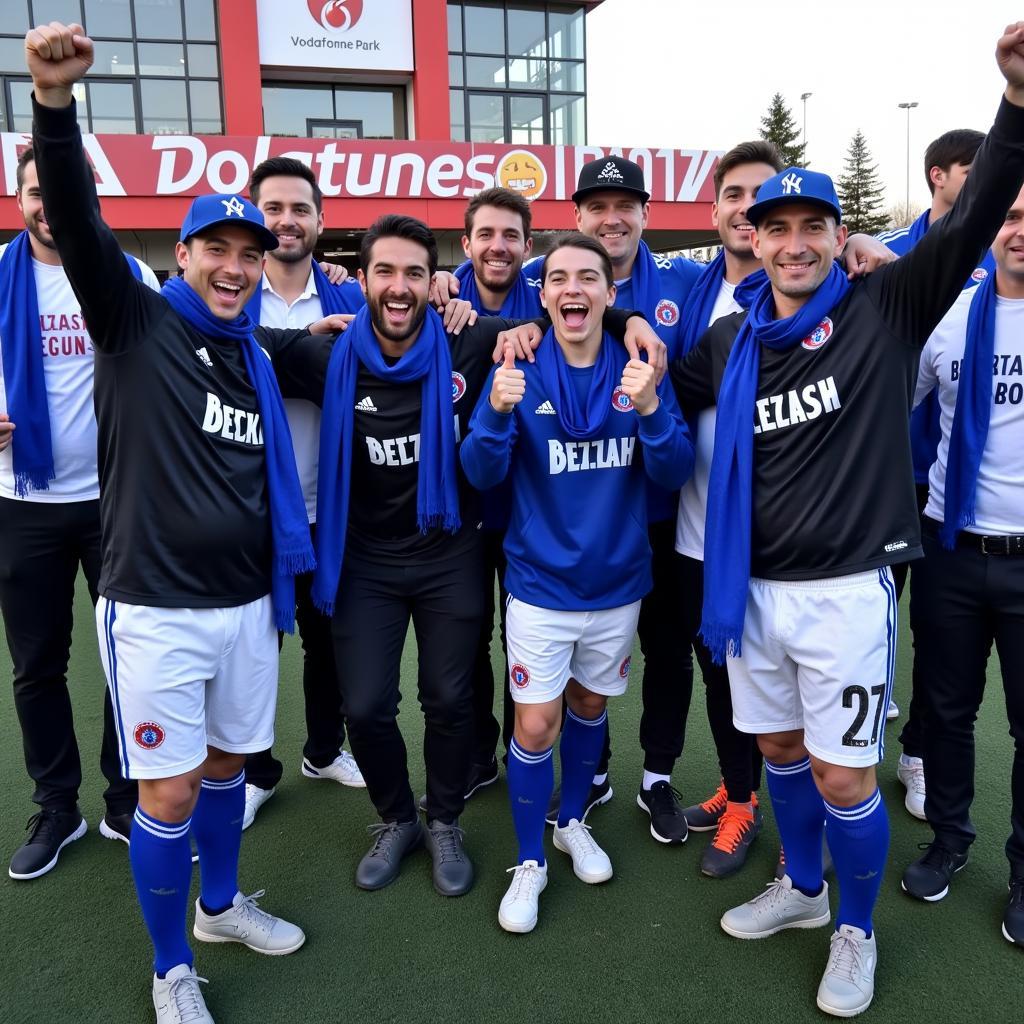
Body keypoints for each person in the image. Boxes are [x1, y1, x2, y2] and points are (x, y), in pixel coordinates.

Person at [670, 23, 1024, 1015]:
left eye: (808, 227)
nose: (789, 241)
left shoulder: (885, 305)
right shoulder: (733, 336)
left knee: (840, 777)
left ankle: (856, 930)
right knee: (779, 754)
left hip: (841, 599)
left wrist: (1015, 106)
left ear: (836, 237)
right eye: (771, 226)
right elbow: (650, 382)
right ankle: (804, 887)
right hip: (748, 597)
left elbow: (975, 211)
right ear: (753, 238)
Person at [25, 21, 348, 1023]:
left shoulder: (261, 354)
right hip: (155, 608)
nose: (235, 265)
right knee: (162, 796)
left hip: (248, 607)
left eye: (250, 252)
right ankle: (173, 966)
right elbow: (76, 223)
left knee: (221, 772)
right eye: (217, 247)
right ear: (184, 252)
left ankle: (216, 905)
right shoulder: (135, 322)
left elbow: (367, 354)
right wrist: (52, 104)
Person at [310, 214, 660, 900]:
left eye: (416, 272)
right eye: (385, 272)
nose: (400, 286)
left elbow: (576, 317)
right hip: (367, 561)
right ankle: (395, 818)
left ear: (434, 280)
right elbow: (245, 343)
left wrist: (631, 320)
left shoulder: (472, 337)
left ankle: (445, 820)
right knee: (370, 705)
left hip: (452, 550)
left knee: (451, 697)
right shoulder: (329, 352)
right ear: (363, 283)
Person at [459, 232, 693, 932]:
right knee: (536, 725)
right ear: (544, 295)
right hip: (539, 588)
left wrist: (650, 408)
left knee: (591, 708)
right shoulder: (517, 368)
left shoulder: (643, 367)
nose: (572, 289)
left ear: (609, 293)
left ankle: (571, 821)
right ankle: (528, 860)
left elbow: (675, 472)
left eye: (587, 277)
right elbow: (478, 474)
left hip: (619, 586)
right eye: (558, 277)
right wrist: (497, 413)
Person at [1, 146, 157, 880]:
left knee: (128, 660)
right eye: (35, 194)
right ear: (19, 197)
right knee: (37, 665)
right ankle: (56, 805)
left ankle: (125, 797)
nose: (48, 207)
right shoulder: (0, 277)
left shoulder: (128, 275)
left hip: (113, 500)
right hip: (20, 500)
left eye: (58, 193)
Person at [898, 181, 1024, 950]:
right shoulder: (949, 318)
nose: (1020, 231)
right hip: (951, 550)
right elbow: (886, 405)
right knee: (944, 713)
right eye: (1011, 216)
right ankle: (948, 841)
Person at [241, 156, 367, 829]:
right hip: (249, 509)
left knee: (330, 644)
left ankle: (324, 749)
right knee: (255, 650)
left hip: (331, 507)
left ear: (319, 222)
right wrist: (298, 347)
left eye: (300, 209)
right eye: (274, 208)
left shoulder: (348, 297)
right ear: (255, 215)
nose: (286, 220)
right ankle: (256, 770)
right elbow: (224, 350)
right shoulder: (229, 293)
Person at [670, 141, 783, 877]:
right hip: (694, 529)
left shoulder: (815, 293)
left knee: (774, 690)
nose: (746, 207)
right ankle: (736, 790)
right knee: (717, 673)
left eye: (761, 196)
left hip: (778, 543)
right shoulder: (691, 292)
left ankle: (765, 812)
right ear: (713, 210)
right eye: (733, 193)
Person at [876, 128, 990, 821]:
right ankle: (865, 726)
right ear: (937, 176)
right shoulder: (887, 255)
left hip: (951, 491)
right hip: (883, 480)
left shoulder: (1000, 261)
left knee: (933, 630)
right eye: (973, 175)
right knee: (874, 611)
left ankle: (916, 755)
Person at [453, 187, 543, 800]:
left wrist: (519, 325)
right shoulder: (438, 300)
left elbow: (597, 309)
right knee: (466, 640)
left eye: (510, 235)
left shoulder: (549, 302)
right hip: (458, 511)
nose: (498, 246)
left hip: (529, 510)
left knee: (527, 639)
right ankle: (479, 753)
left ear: (527, 246)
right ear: (466, 243)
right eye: (486, 234)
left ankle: (528, 752)